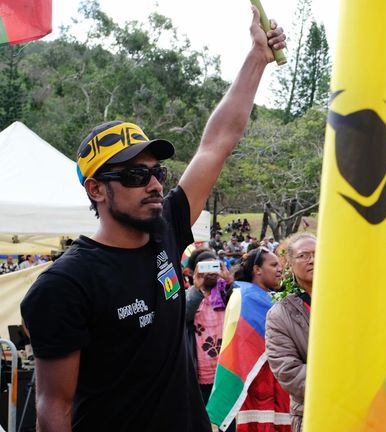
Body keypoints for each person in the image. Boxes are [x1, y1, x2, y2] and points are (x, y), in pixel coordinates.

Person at [20, 8, 286, 432]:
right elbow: (54, 408)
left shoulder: (165, 229)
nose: (155, 184)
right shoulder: (66, 286)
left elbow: (216, 143)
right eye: (134, 175)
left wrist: (256, 55)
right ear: (96, 190)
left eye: (156, 172)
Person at [208, 247, 290, 431]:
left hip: (274, 378)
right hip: (258, 379)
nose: (280, 269)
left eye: (280, 265)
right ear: (257, 270)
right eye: (274, 264)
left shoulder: (255, 293)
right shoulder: (249, 297)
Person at [265, 233, 316, 432]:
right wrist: (337, 380)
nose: (312, 259)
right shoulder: (280, 316)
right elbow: (288, 371)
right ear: (289, 264)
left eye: (317, 254)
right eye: (304, 255)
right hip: (313, 412)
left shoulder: (349, 301)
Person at [184, 249, 232, 404]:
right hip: (201, 372)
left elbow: (242, 308)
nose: (211, 272)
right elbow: (184, 316)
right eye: (205, 267)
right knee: (203, 417)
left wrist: (230, 282)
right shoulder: (190, 295)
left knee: (227, 419)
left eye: (214, 266)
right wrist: (196, 288)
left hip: (226, 368)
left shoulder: (227, 293)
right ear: (197, 271)